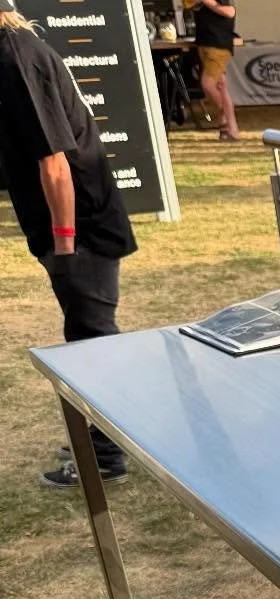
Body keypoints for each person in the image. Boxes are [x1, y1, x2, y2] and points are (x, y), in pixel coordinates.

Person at [0, 0, 136, 486]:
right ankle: (105, 440)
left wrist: (64, 247)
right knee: (89, 335)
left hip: (81, 227)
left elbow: (54, 162)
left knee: (91, 340)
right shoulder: (16, 52)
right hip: (74, 225)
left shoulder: (16, 57)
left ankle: (105, 456)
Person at [189, 0, 239, 141]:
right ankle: (229, 128)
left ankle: (227, 117)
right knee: (221, 86)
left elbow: (230, 12)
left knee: (208, 84)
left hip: (218, 45)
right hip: (204, 44)